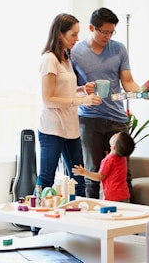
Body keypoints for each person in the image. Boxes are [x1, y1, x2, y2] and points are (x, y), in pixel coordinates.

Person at [71, 7, 149, 201]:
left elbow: (128, 82)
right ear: (92, 27)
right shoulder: (75, 52)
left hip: (117, 120)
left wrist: (143, 92)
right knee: (92, 174)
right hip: (89, 120)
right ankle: (92, 222)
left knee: (124, 174)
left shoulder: (119, 49)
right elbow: (69, 87)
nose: (108, 36)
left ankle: (131, 223)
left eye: (111, 32)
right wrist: (84, 89)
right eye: (104, 32)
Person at [37, 14, 102, 206]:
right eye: (73, 35)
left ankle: (80, 225)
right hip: (52, 129)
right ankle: (35, 225)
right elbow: (48, 99)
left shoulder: (65, 57)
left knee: (78, 180)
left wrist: (81, 89)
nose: (77, 39)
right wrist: (81, 100)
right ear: (60, 34)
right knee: (47, 180)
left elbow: (62, 90)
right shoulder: (49, 59)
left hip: (71, 128)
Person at [72, 132, 135, 202]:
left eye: (116, 135)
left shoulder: (108, 160)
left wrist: (84, 172)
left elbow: (100, 177)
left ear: (114, 148)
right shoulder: (123, 158)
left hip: (112, 198)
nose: (115, 134)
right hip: (124, 194)